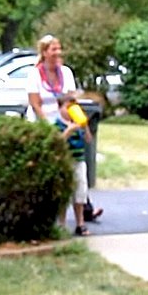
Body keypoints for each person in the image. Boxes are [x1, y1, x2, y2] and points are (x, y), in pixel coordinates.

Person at [55, 95, 92, 236]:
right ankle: (61, 224)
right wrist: (68, 131)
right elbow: (57, 143)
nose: (70, 111)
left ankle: (80, 223)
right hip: (66, 161)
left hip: (79, 161)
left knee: (80, 192)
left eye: (73, 108)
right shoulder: (58, 125)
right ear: (59, 109)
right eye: (67, 107)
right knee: (65, 193)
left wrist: (85, 126)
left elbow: (88, 140)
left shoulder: (79, 124)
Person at [26, 35, 77, 123]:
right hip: (40, 121)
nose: (58, 52)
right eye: (54, 49)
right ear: (44, 53)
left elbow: (70, 99)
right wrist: (48, 125)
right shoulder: (34, 74)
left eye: (59, 49)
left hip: (62, 120)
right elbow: (35, 104)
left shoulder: (66, 72)